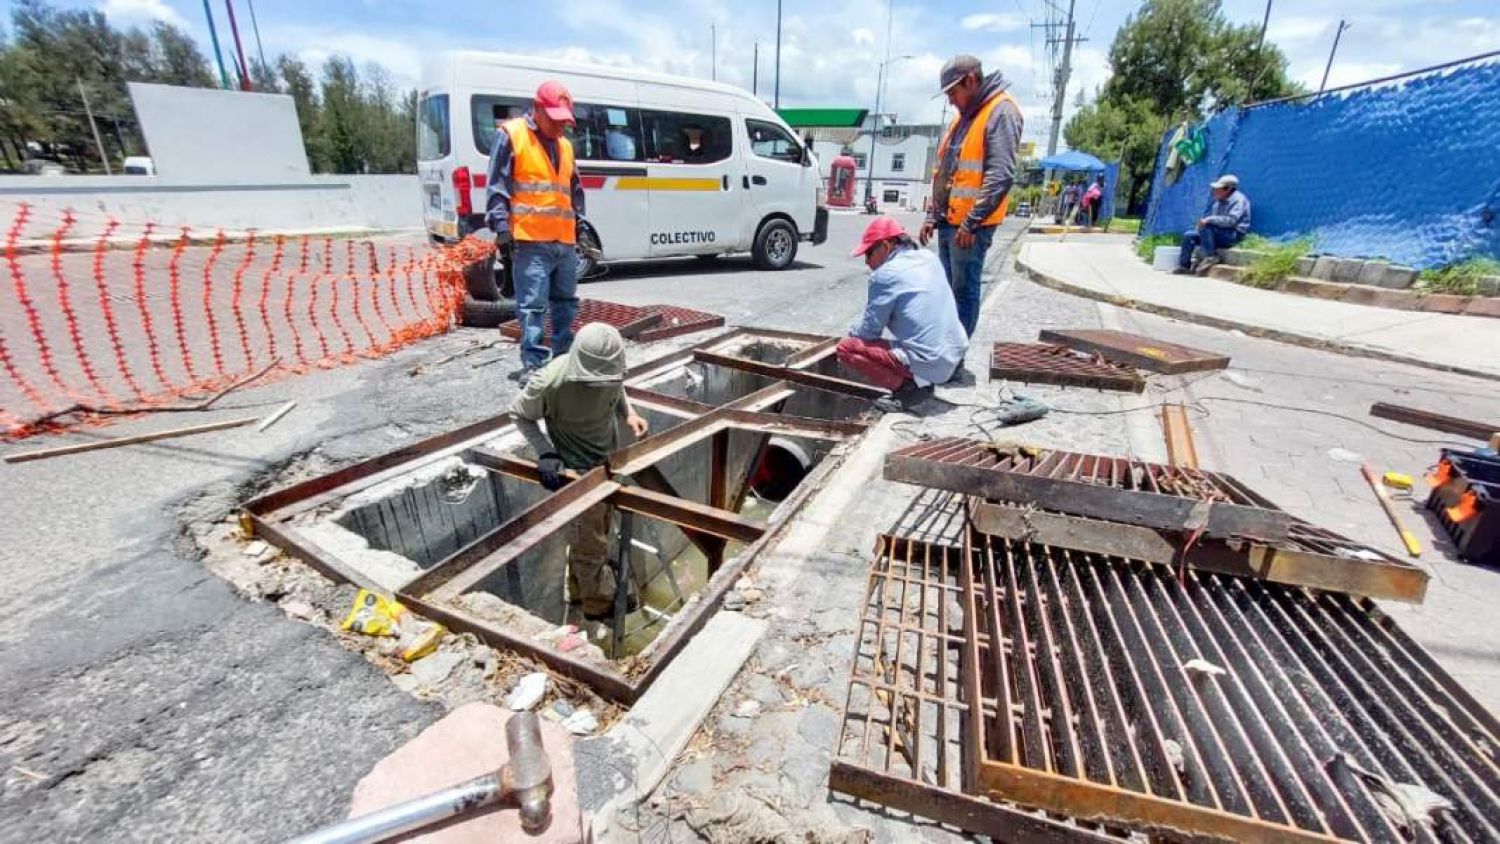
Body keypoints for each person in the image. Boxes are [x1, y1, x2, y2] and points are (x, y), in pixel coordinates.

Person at [511, 323, 651, 621]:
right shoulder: (550, 382)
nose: (600, 385)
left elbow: (615, 384)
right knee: (590, 549)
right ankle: (598, 609)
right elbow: (519, 415)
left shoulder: (607, 371)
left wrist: (630, 413)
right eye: (593, 381)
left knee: (592, 539)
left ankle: (578, 594)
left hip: (608, 465)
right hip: (578, 475)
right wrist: (545, 452)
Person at [486, 80, 587, 384]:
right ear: (538, 109)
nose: (559, 127)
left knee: (566, 302)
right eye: (554, 120)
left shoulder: (566, 146)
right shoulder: (511, 135)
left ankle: (562, 358)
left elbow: (574, 190)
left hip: (563, 240)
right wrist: (502, 228)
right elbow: (497, 186)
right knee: (532, 305)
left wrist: (579, 225)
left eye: (563, 122)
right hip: (530, 240)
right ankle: (535, 364)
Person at [920, 55, 1024, 338]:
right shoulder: (963, 120)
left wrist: (972, 222)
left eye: (953, 92)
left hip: (969, 227)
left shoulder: (1001, 112)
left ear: (970, 80)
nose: (950, 100)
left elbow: (1000, 175)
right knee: (947, 291)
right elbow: (946, 172)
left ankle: (953, 355)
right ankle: (944, 351)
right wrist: (933, 214)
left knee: (963, 292)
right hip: (949, 221)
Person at [838, 217, 968, 412]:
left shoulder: (884, 275)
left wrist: (851, 332)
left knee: (847, 348)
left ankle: (909, 390)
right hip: (955, 353)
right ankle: (924, 377)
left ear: (886, 245)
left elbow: (869, 332)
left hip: (934, 362)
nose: (867, 262)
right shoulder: (929, 258)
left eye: (869, 253)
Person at [1176, 174, 1251, 275]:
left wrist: (1208, 221)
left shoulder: (1239, 200)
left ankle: (1211, 257)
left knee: (1207, 225)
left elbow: (1231, 221)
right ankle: (1184, 266)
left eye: (1217, 188)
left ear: (1227, 189)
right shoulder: (1218, 203)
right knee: (1189, 236)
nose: (1214, 191)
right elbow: (1215, 223)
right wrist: (1202, 226)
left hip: (1233, 234)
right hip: (1219, 233)